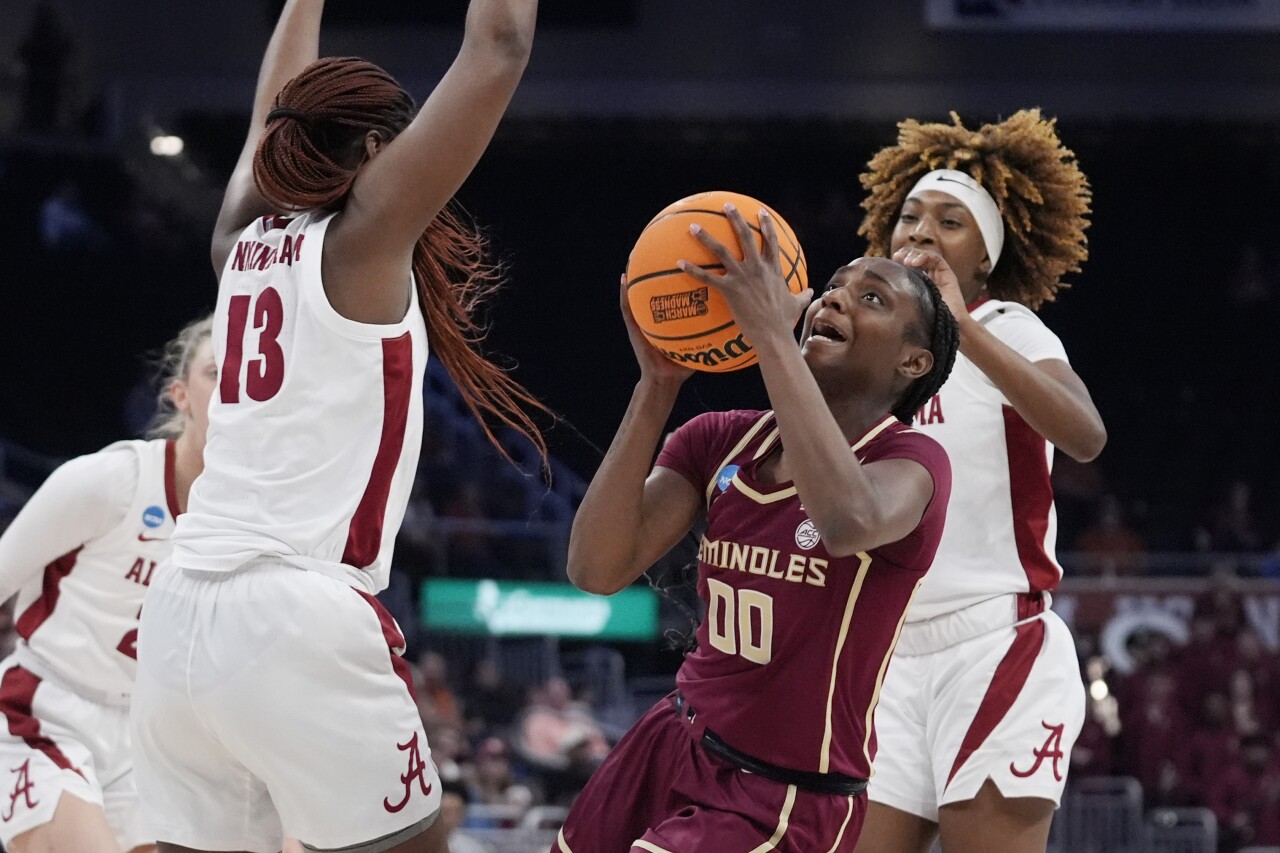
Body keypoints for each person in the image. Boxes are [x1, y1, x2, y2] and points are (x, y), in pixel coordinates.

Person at [127, 1, 543, 851]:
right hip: (295, 607)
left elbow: (270, 111)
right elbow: (498, 43)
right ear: (381, 155)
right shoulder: (362, 245)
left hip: (176, 612)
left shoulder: (238, 240)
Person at [553, 204, 958, 852]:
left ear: (913, 362)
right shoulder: (719, 438)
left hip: (784, 796)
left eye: (871, 297)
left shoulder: (911, 462)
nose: (834, 300)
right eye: (831, 288)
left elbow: (847, 522)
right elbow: (596, 568)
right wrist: (656, 385)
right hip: (669, 738)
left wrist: (770, 335)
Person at [852, 109, 1107, 853]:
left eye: (950, 220)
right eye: (909, 215)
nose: (921, 231)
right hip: (886, 656)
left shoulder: (1010, 327)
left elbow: (1085, 434)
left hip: (995, 646)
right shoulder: (862, 359)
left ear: (984, 260)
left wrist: (961, 326)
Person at [0, 315, 213, 853]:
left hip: (144, 735)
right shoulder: (110, 482)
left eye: (248, 375)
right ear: (181, 395)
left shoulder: (248, 523)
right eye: (216, 372)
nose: (234, 388)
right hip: (43, 708)